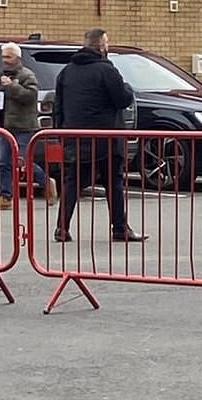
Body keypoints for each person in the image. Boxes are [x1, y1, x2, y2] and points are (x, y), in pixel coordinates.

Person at [53, 28, 148, 243]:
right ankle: (120, 228)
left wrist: (62, 134)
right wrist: (128, 87)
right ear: (101, 46)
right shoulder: (107, 70)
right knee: (113, 183)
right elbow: (122, 99)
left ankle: (62, 227)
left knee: (72, 183)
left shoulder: (67, 71)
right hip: (106, 138)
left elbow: (58, 106)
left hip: (75, 137)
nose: (108, 46)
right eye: (107, 42)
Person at [0, 42, 56, 211]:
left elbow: (30, 96)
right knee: (3, 162)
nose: (5, 60)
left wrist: (12, 86)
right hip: (4, 126)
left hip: (23, 127)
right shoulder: (1, 75)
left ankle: (46, 182)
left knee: (23, 161)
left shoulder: (27, 75)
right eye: (3, 57)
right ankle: (5, 197)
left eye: (8, 57)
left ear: (17, 58)